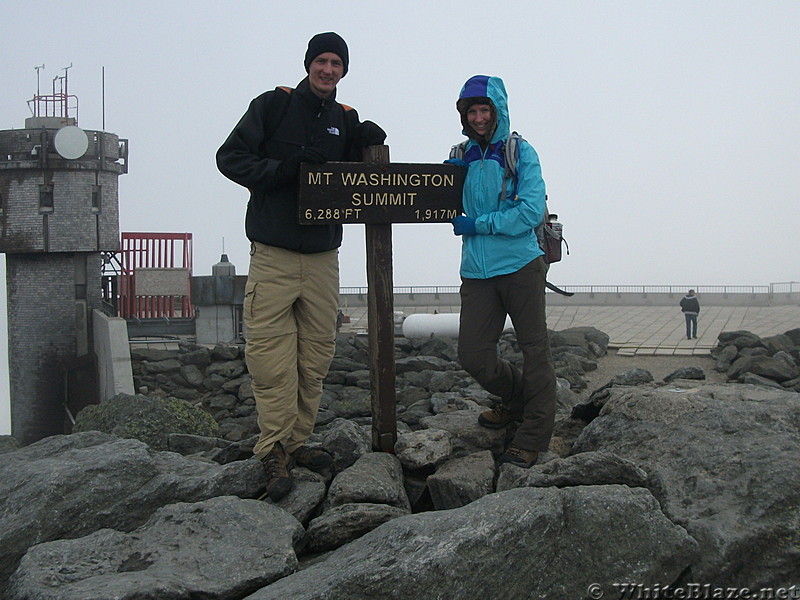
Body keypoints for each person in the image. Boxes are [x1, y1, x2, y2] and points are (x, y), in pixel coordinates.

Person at [216, 32, 386, 501]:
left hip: (323, 258)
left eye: (336, 63)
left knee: (315, 358)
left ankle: (296, 441)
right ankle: (273, 450)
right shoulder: (273, 106)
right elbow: (230, 158)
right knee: (271, 359)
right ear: (308, 63)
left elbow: (351, 183)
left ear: (343, 70)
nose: (327, 69)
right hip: (273, 253)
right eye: (321, 61)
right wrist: (286, 168)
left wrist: (365, 146)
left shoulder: (344, 119)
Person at [448, 75, 556, 468]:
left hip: (520, 266)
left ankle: (534, 435)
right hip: (476, 272)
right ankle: (517, 399)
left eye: (484, 110)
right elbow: (443, 202)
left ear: (498, 111)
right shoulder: (461, 154)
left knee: (535, 351)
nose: (478, 118)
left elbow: (529, 211)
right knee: (473, 355)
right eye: (471, 111)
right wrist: (445, 183)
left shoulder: (520, 151)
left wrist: (481, 224)